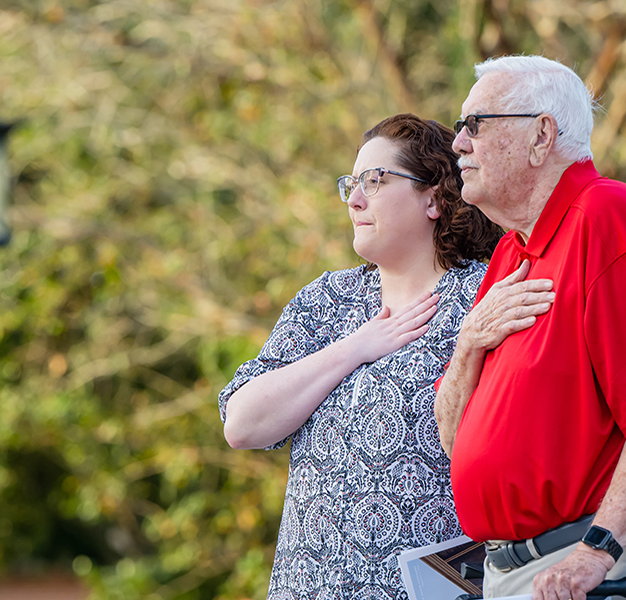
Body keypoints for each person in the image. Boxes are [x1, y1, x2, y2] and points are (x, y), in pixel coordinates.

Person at [218, 114, 550, 600]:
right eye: (351, 184)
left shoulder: (486, 293)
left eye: (374, 181)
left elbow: (527, 440)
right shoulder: (328, 300)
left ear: (434, 197)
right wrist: (356, 347)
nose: (354, 199)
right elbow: (242, 425)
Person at [434, 56, 626, 600]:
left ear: (541, 136)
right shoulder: (510, 253)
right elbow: (453, 441)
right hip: (525, 569)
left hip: (608, 559)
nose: (458, 145)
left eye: (475, 125)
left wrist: (598, 551)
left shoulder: (609, 219)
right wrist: (468, 344)